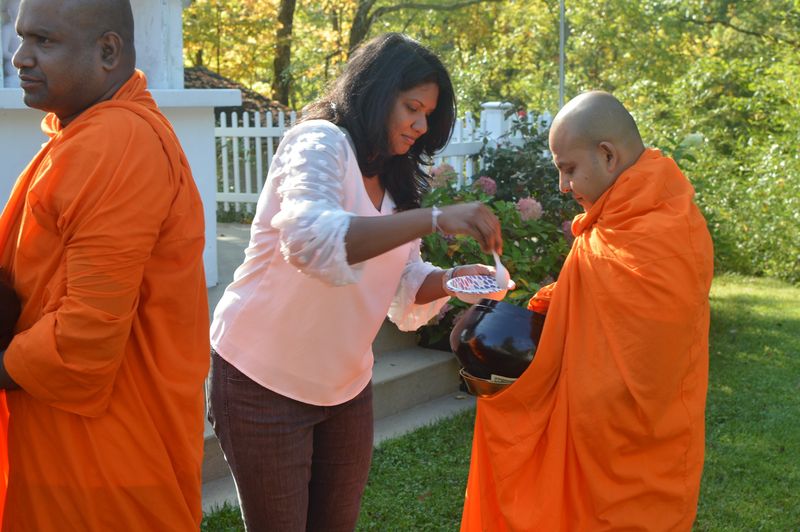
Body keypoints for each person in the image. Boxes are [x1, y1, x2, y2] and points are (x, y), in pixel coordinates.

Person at [208, 32, 503, 531]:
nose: (421, 125)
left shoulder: (397, 175)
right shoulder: (318, 143)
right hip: (261, 378)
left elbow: (402, 280)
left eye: (428, 114)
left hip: (345, 386)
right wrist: (435, 219)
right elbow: (312, 240)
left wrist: (455, 280)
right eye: (412, 108)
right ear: (376, 93)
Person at [460, 91, 714, 530]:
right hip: (590, 434)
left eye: (569, 169)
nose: (563, 186)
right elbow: (592, 300)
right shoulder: (618, 221)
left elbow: (651, 351)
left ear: (608, 155)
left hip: (638, 444)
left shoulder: (666, 229)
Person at [0, 0, 209, 529]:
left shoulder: (116, 142)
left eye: (44, 41)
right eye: (22, 38)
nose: (20, 57)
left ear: (108, 52)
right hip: (73, 451)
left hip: (104, 466)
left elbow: (83, 339)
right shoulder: (84, 134)